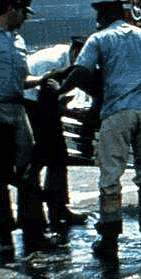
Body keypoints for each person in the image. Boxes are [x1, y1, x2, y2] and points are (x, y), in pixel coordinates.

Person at [58, 0, 141, 266]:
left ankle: (109, 239)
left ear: (103, 18)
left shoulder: (98, 39)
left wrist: (61, 90)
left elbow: (82, 71)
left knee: (110, 175)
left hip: (117, 112)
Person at [0, 0, 60, 256]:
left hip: (16, 108)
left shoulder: (19, 40)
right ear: (12, 9)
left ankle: (33, 230)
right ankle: (3, 235)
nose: (25, 19)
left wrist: (43, 79)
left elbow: (23, 79)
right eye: (24, 13)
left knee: (29, 171)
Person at [24, 37, 89, 232]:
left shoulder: (73, 61)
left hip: (45, 102)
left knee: (59, 158)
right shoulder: (51, 62)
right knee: (40, 159)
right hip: (30, 103)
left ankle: (58, 208)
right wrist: (68, 112)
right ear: (77, 52)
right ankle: (36, 215)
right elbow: (44, 97)